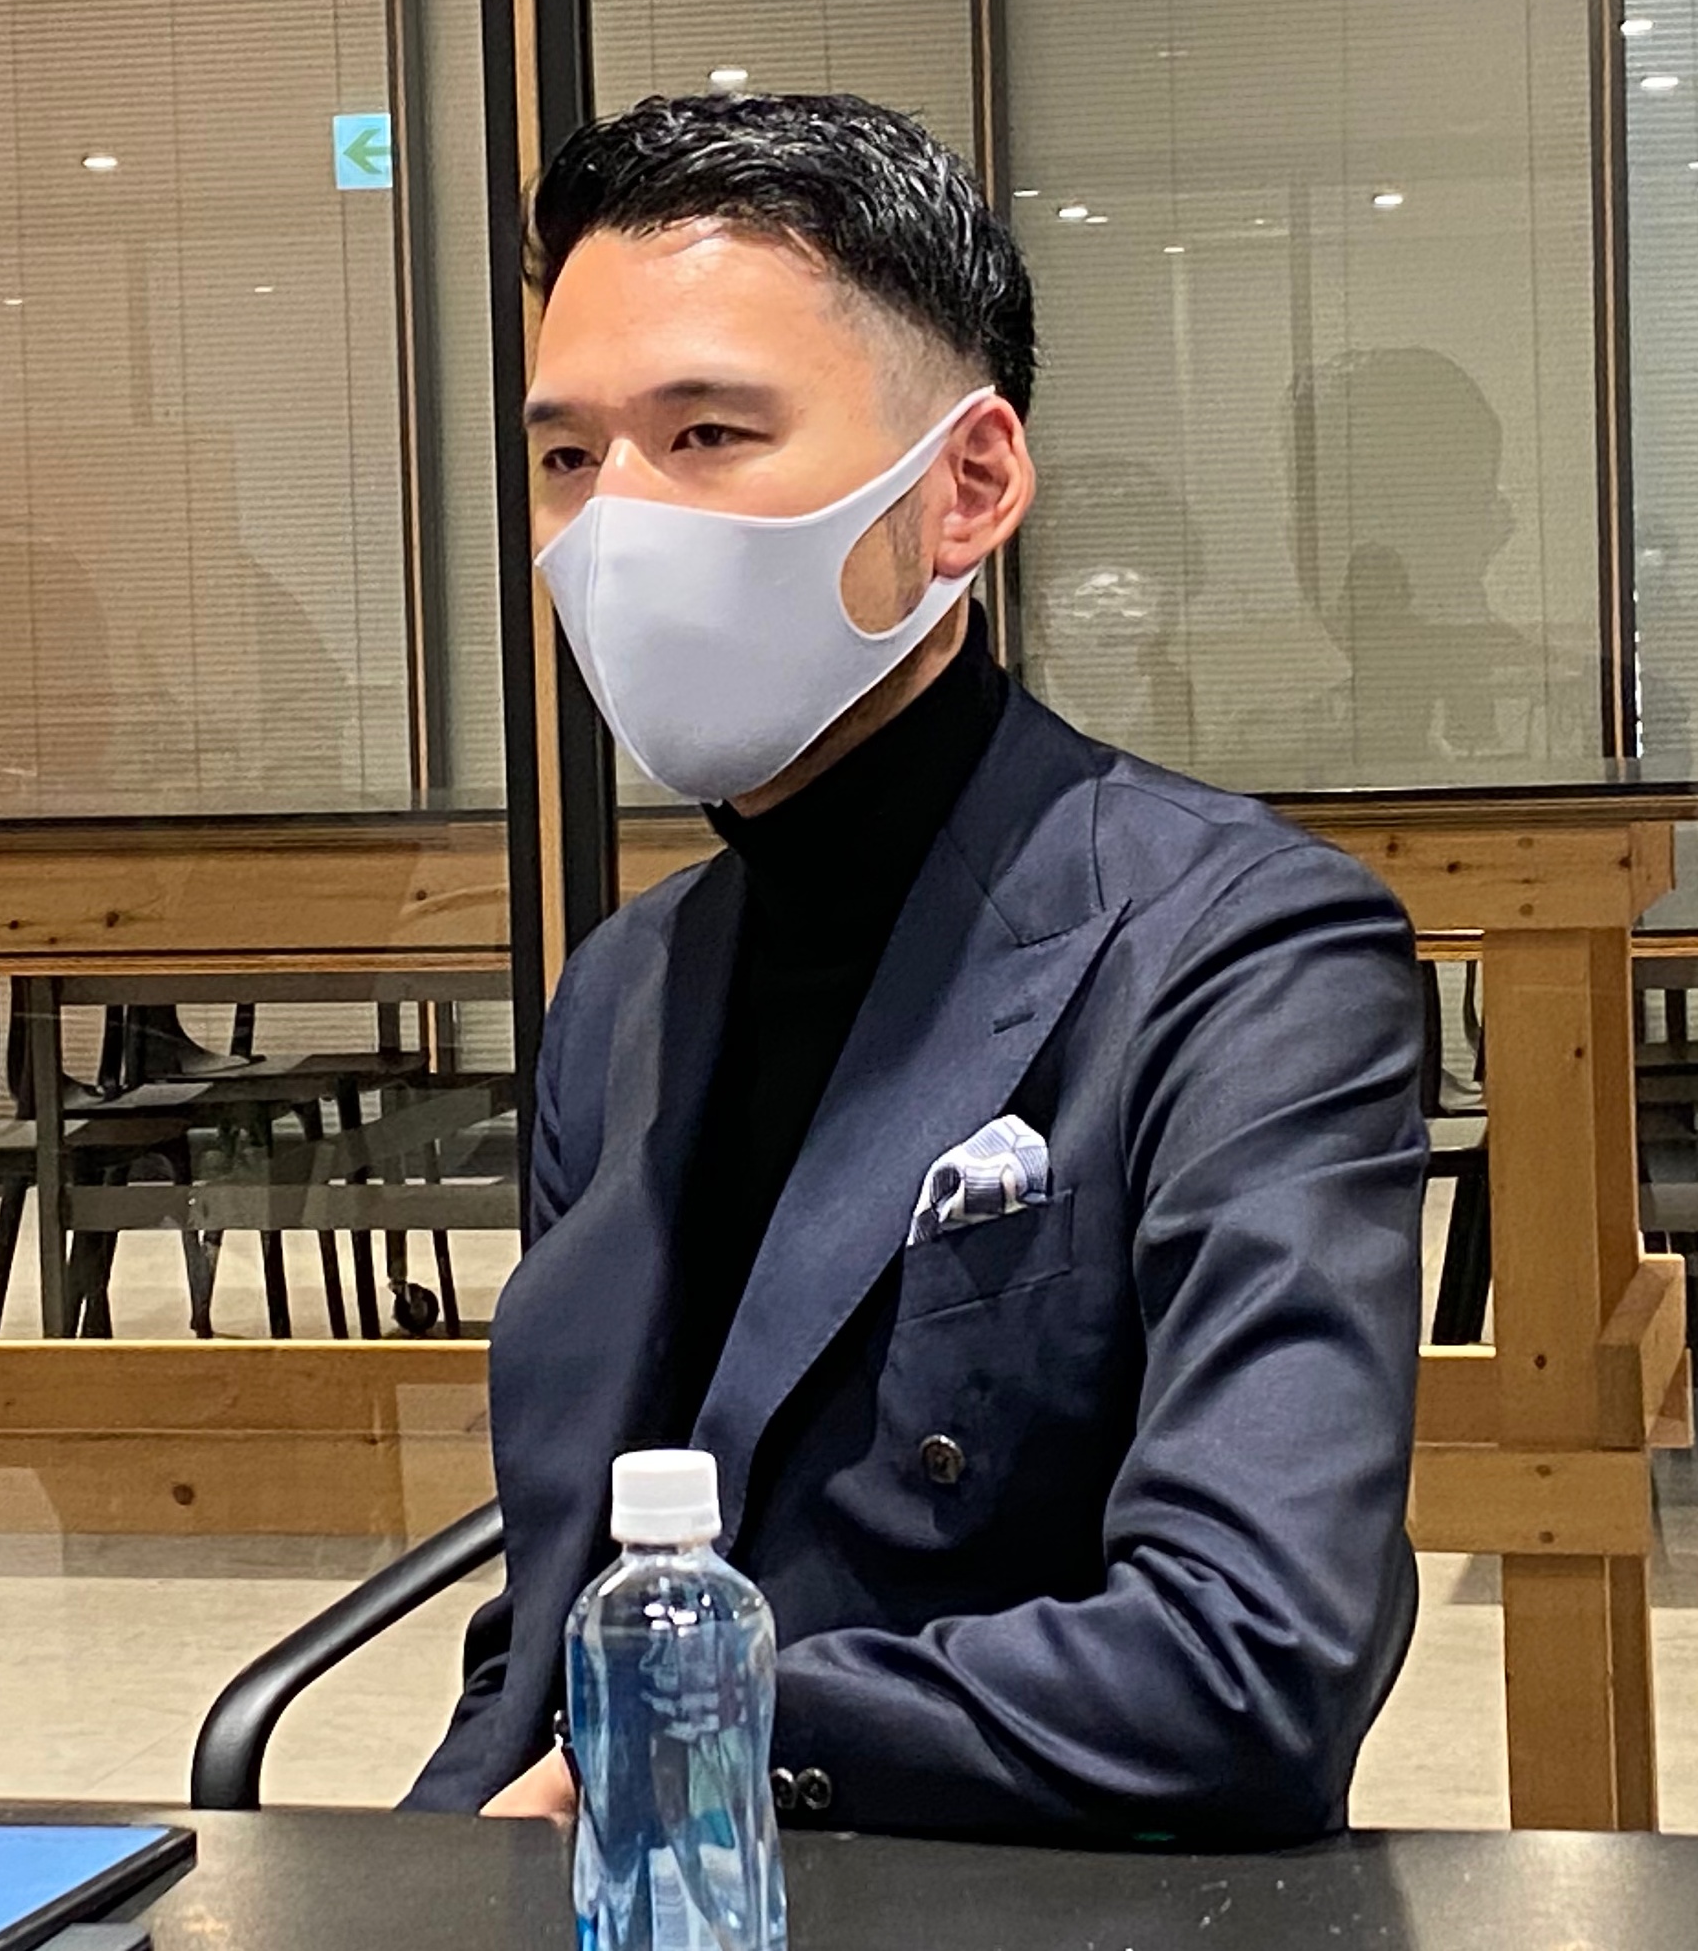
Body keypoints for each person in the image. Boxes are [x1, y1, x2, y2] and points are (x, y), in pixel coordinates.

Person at [405, 93, 1429, 1847]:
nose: (616, 525)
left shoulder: (1241, 954)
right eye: (568, 459)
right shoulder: (627, 992)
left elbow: (1252, 1658)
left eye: (708, 433)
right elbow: (550, 1622)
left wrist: (697, 1729)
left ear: (967, 489)